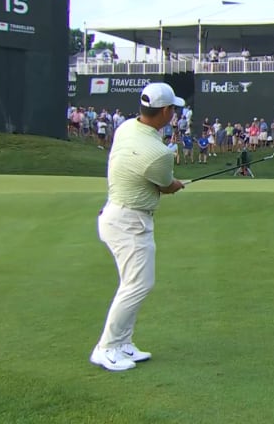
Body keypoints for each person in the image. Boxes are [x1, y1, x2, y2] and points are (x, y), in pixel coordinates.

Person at [91, 82, 185, 371]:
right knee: (138, 284)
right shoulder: (159, 152)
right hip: (130, 222)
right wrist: (176, 185)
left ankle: (123, 343)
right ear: (167, 111)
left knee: (133, 283)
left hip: (115, 212)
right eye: (174, 110)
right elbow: (166, 186)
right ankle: (106, 348)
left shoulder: (125, 128)